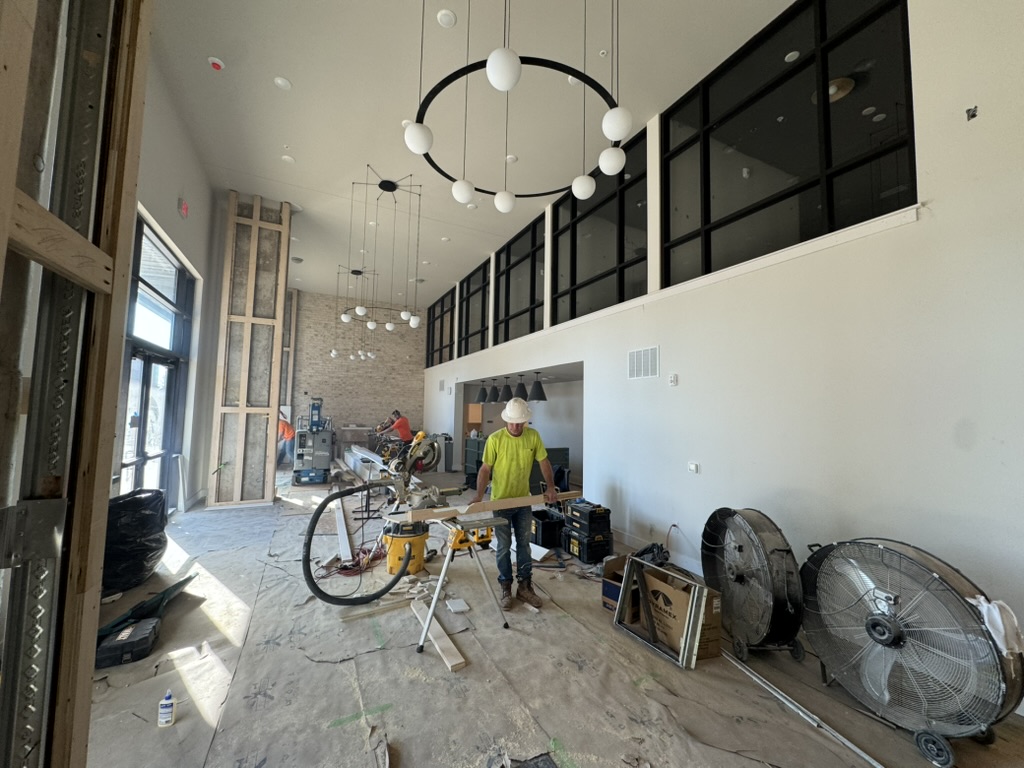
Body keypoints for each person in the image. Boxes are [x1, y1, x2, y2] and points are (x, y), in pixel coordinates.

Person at [469, 397, 557, 610]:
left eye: (520, 423)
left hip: (523, 500)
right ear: (506, 419)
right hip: (500, 502)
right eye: (512, 422)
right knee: (503, 547)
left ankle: (524, 587)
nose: (516, 427)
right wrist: (479, 496)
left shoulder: (533, 436)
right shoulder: (495, 439)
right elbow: (485, 469)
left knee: (524, 545)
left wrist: (551, 487)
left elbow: (544, 461)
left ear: (525, 421)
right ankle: (506, 587)